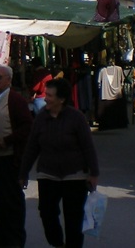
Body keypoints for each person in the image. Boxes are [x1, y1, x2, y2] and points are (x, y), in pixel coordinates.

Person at [20, 78, 99, 248]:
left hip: (75, 174)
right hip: (48, 173)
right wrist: (23, 173)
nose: (45, 98)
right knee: (47, 213)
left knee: (74, 218)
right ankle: (57, 243)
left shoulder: (76, 118)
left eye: (49, 95)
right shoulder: (41, 118)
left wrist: (94, 173)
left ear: (61, 99)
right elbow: (32, 147)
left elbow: (88, 146)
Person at [0, 64, 32, 248]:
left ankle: (14, 241)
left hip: (8, 158)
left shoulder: (15, 100)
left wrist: (9, 140)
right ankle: (1, 239)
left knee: (11, 202)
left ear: (9, 80)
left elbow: (27, 126)